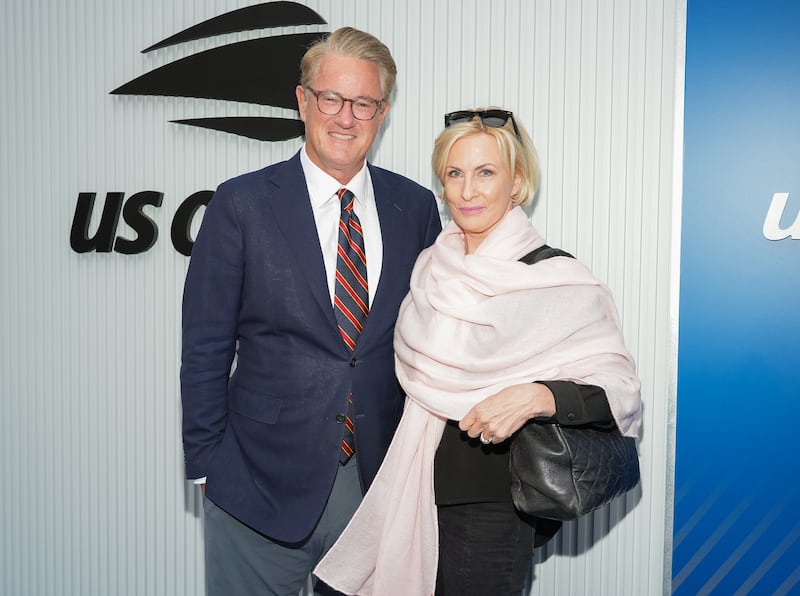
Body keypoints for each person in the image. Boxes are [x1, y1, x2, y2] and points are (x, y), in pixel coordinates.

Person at [314, 109, 642, 595]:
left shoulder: (554, 277)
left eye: (486, 172)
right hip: (410, 486)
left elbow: (618, 390)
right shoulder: (429, 269)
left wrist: (537, 396)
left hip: (494, 505)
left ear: (517, 182)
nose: (468, 190)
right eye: (454, 173)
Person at [180, 27, 442, 596]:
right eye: (331, 98)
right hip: (254, 484)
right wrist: (207, 464)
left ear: (383, 112)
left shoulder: (415, 209)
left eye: (364, 103)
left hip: (376, 485)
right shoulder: (241, 203)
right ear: (303, 101)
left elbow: (432, 338)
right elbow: (205, 344)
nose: (346, 117)